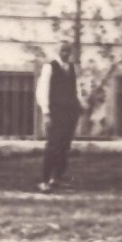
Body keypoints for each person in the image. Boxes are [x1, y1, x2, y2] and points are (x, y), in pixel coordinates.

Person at [34, 43, 83, 193]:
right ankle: (44, 180)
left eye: (69, 51)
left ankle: (57, 178)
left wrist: (80, 105)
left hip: (70, 112)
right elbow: (42, 90)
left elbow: (77, 90)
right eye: (63, 51)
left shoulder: (72, 68)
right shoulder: (50, 67)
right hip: (55, 112)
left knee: (64, 146)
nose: (66, 54)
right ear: (58, 51)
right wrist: (46, 112)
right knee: (53, 145)